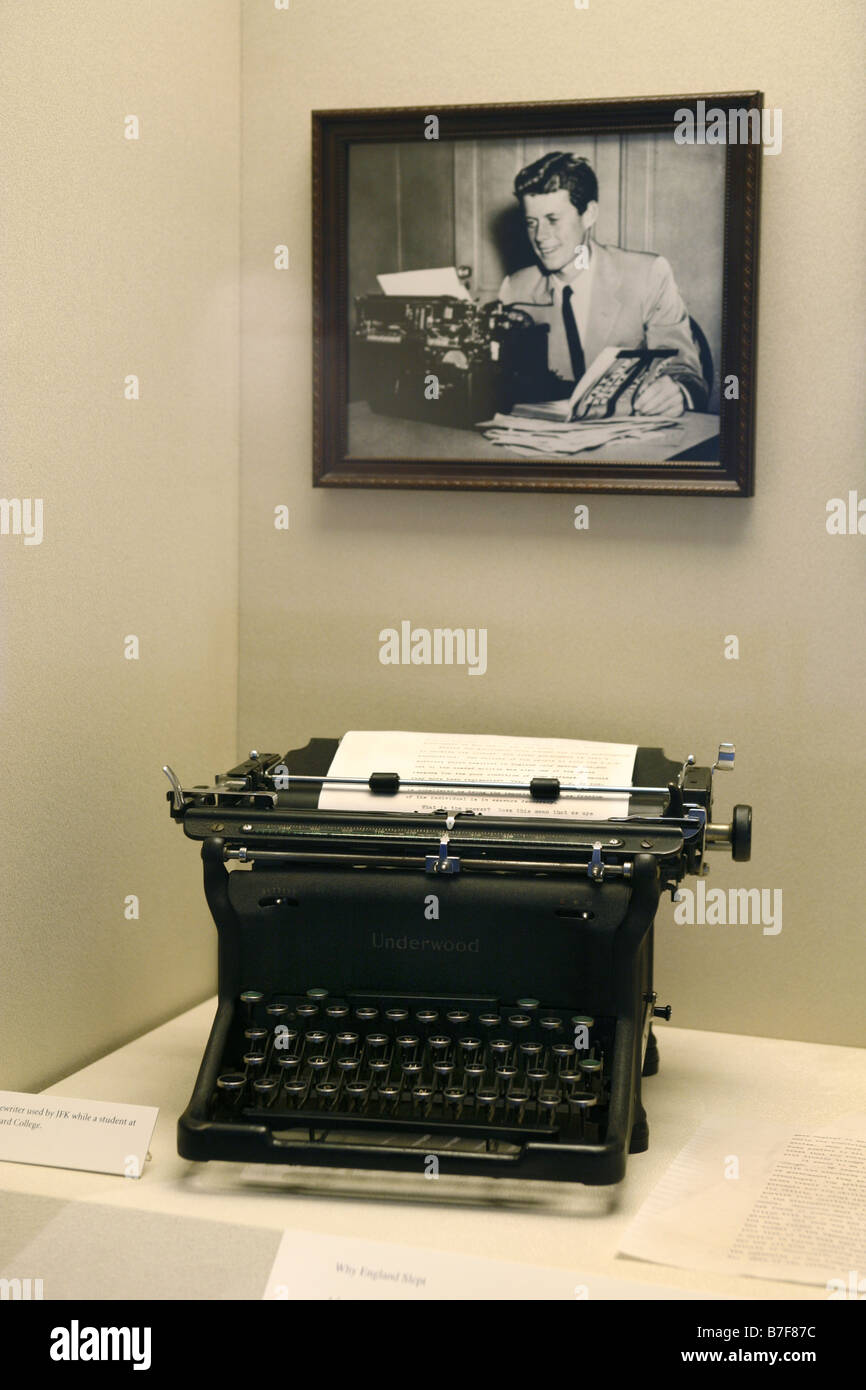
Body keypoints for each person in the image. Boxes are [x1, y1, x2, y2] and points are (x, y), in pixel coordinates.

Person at [498, 152, 708, 414]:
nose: (541, 236)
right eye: (531, 223)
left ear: (589, 214)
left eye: (553, 219)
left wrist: (677, 391)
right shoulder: (515, 289)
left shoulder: (646, 275)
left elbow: (685, 369)